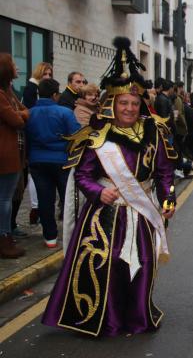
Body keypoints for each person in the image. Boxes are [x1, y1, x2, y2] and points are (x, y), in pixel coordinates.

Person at [42, 37, 177, 337]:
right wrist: (97, 191)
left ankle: (136, 316)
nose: (128, 108)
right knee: (106, 265)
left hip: (140, 213)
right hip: (103, 215)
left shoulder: (155, 134)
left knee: (140, 264)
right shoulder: (98, 136)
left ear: (141, 104)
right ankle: (104, 318)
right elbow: (83, 175)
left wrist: (168, 200)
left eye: (134, 103)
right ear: (112, 104)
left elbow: (165, 174)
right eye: (123, 103)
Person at [26, 78, 81, 247]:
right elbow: (76, 135)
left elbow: (26, 136)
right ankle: (71, 236)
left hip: (37, 160)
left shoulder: (29, 113)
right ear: (55, 95)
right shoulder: (65, 112)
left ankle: (49, 237)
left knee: (44, 199)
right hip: (62, 161)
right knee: (68, 198)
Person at [0, 53, 28, 258]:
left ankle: (6, 234)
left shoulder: (8, 90)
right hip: (5, 154)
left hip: (15, 152)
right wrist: (22, 115)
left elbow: (23, 111)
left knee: (8, 198)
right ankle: (4, 238)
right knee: (4, 200)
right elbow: (17, 119)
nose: (17, 67)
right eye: (13, 64)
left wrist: (22, 114)